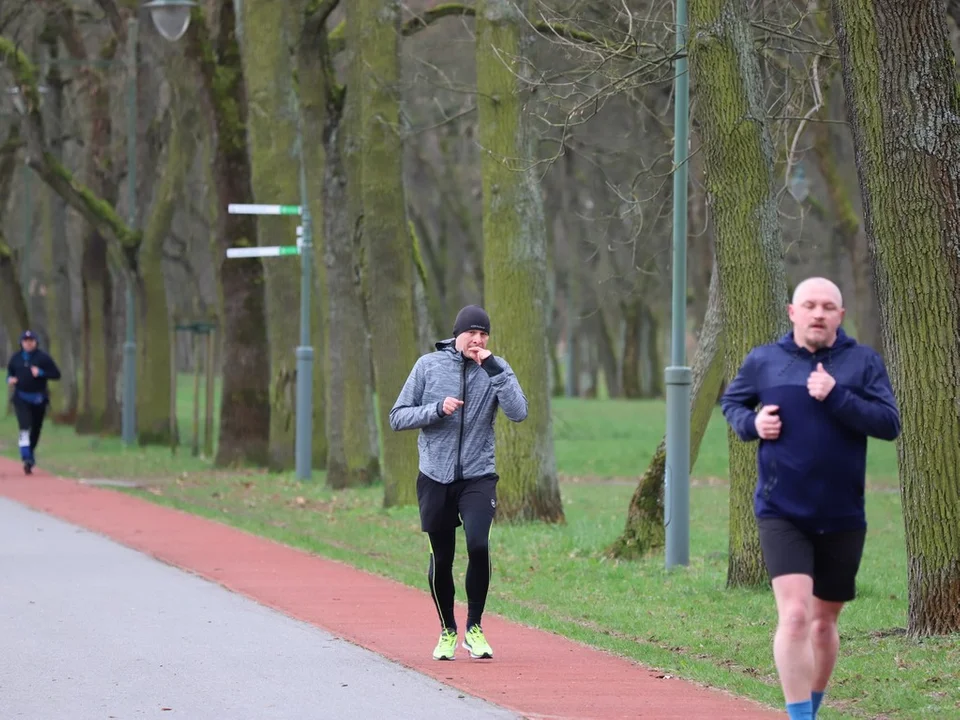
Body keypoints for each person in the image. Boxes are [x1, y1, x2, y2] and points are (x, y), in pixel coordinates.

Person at [720, 277, 900, 720]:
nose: (818, 313)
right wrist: (753, 424)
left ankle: (813, 708)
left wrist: (836, 396)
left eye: (828, 306)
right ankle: (801, 717)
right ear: (792, 312)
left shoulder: (862, 363)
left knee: (823, 624)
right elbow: (733, 404)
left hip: (842, 514)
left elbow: (888, 422)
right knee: (796, 616)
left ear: (840, 315)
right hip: (782, 510)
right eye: (810, 305)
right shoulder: (765, 361)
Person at [389, 304, 528, 661]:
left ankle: (475, 628)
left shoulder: (496, 368)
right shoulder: (427, 366)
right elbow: (397, 417)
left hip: (478, 476)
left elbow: (519, 412)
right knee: (443, 557)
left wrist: (495, 369)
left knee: (478, 545)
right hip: (435, 476)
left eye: (484, 335)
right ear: (457, 334)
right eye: (472, 333)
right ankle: (448, 629)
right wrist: (436, 409)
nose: (478, 340)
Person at [6, 329, 61, 474]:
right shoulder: (16, 358)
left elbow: (56, 374)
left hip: (38, 398)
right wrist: (10, 380)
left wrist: (41, 373)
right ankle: (25, 455)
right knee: (24, 426)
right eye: (25, 341)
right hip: (21, 397)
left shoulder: (43, 358)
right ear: (21, 343)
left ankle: (30, 456)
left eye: (31, 341)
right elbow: (10, 373)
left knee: (35, 429)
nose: (28, 344)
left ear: (36, 342)